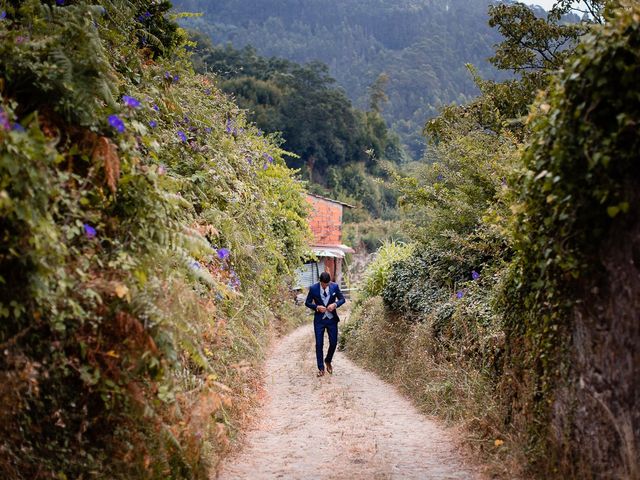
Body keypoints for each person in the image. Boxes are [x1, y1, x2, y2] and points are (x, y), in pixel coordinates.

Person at [305, 271, 346, 377]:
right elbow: (307, 302)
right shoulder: (313, 288)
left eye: (327, 284)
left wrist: (335, 304)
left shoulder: (335, 287)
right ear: (320, 282)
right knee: (319, 344)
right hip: (319, 321)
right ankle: (321, 368)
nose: (325, 286)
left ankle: (328, 360)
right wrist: (317, 307)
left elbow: (342, 299)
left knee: (333, 343)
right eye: (324, 285)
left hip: (332, 320)